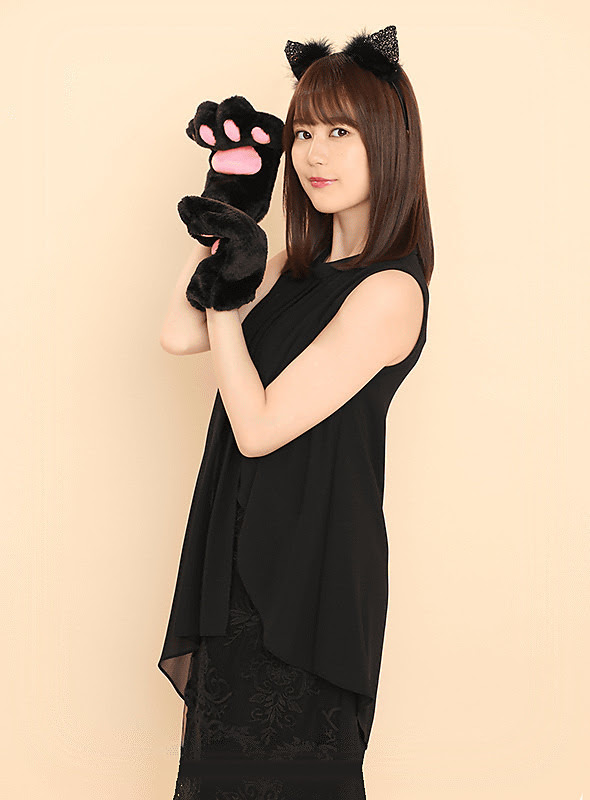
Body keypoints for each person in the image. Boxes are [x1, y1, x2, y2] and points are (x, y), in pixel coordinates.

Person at [159, 25, 434, 800]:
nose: (314, 153)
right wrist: (223, 219)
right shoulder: (291, 266)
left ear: (388, 144)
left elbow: (257, 427)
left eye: (340, 132)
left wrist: (225, 301)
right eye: (304, 132)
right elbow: (177, 332)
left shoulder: (390, 291)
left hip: (308, 579)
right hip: (241, 555)